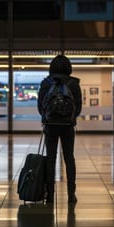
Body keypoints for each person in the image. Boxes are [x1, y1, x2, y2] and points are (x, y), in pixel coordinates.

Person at [38, 54, 82, 204]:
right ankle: (71, 194)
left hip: (50, 126)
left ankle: (50, 194)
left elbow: (40, 107)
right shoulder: (73, 84)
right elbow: (78, 108)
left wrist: (48, 117)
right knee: (69, 158)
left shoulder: (46, 83)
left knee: (51, 159)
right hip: (68, 127)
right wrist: (69, 117)